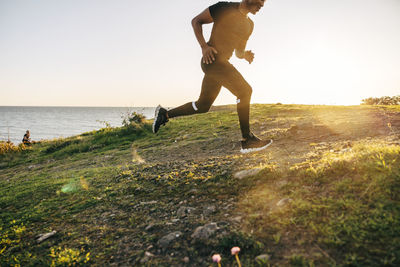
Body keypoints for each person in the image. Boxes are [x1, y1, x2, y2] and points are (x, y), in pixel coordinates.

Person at [153, 0, 272, 153]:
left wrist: (245, 55)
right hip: (212, 60)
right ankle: (247, 139)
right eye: (259, 2)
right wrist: (204, 47)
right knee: (244, 91)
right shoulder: (224, 8)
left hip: (222, 64)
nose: (261, 6)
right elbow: (196, 21)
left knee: (202, 105)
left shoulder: (249, 26)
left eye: (263, 4)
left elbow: (238, 52)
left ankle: (166, 114)